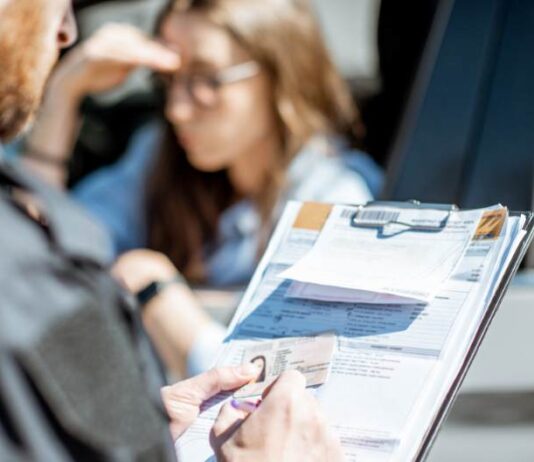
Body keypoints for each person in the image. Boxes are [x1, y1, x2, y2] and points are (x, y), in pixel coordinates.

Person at [0, 0, 344, 460]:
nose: (177, 109)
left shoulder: (337, 198)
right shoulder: (157, 161)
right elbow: (34, 245)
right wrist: (65, 94)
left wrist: (161, 303)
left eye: (205, 79)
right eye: (169, 81)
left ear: (281, 72)